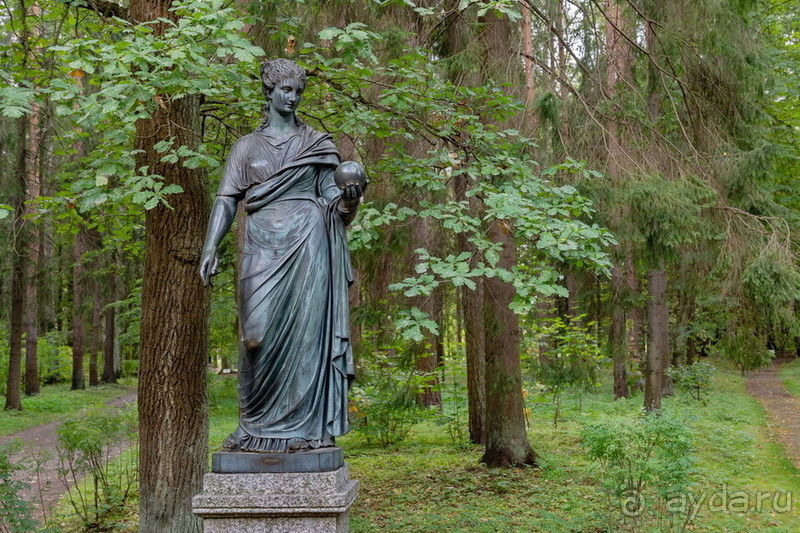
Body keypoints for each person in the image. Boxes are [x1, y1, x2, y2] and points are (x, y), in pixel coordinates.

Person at [199, 59, 363, 453]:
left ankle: (305, 430)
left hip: (309, 241)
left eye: (298, 91)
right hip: (261, 242)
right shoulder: (246, 147)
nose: (293, 98)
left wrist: (349, 200)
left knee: (307, 337)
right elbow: (226, 199)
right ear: (269, 90)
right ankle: (253, 426)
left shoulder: (317, 144)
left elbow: (334, 206)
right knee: (254, 337)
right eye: (286, 90)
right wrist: (210, 246)